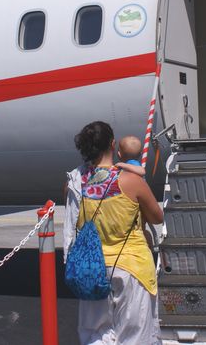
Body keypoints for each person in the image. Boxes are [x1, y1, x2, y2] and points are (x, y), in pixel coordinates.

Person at [71, 121, 163, 345]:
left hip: (93, 269)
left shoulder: (77, 182)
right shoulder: (131, 181)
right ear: (113, 144)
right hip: (132, 268)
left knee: (95, 334)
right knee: (135, 335)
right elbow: (157, 217)